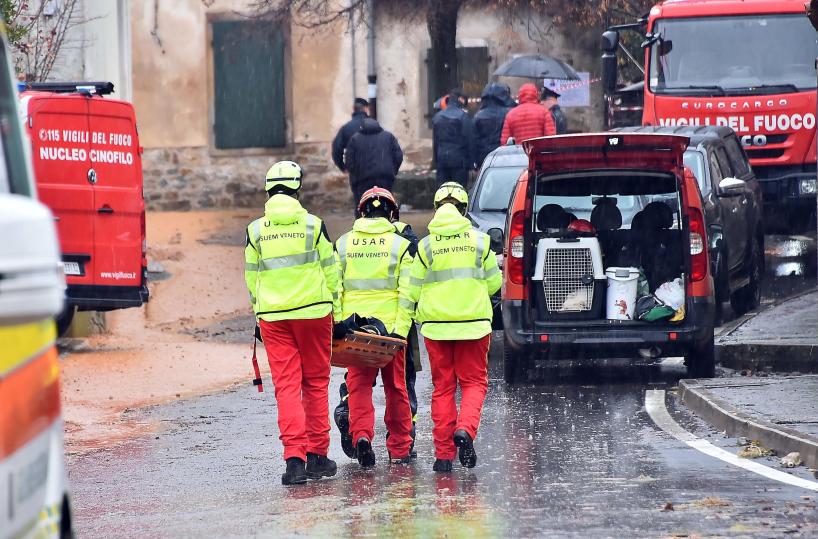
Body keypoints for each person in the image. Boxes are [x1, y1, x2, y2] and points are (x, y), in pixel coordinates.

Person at [243, 160, 341, 486]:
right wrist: (337, 311)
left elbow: (251, 279)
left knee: (286, 387)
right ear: (298, 188)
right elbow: (332, 271)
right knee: (314, 384)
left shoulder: (256, 230)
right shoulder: (314, 225)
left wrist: (260, 312)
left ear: (268, 190)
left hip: (273, 317)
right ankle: (317, 456)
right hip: (315, 313)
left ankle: (294, 462)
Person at [407, 182, 502, 472]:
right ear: (463, 211)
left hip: (436, 328)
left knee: (443, 389)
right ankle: (465, 430)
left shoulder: (425, 246)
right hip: (473, 325)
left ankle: (443, 457)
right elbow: (495, 283)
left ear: (437, 209)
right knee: (473, 383)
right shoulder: (481, 242)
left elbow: (412, 290)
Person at [333, 195, 421, 460]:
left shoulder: (343, 243)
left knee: (358, 386)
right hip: (390, 332)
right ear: (392, 214)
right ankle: (400, 448)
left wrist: (338, 323)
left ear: (361, 214)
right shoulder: (401, 245)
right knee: (396, 388)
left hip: (355, 331)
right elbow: (408, 294)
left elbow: (334, 288)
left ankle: (360, 435)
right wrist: (401, 330)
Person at [344, 118, 404, 206]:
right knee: (386, 204)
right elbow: (398, 156)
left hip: (362, 180)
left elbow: (349, 160)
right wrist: (392, 171)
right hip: (385, 178)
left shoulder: (355, 139)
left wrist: (355, 174)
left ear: (362, 127)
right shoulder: (388, 137)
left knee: (362, 206)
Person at [432, 89, 475, 187]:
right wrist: (472, 164)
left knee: (443, 190)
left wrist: (435, 161)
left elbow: (435, 142)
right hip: (459, 161)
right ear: (460, 100)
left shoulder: (437, 117)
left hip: (442, 159)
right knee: (458, 190)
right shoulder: (463, 117)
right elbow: (470, 141)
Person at [473, 83, 515, 167]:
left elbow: (475, 139)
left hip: (484, 155)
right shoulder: (509, 113)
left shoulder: (478, 115)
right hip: (503, 153)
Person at [331, 98, 369, 172]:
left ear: (353, 109)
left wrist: (342, 167)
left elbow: (336, 149)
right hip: (374, 169)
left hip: (355, 170)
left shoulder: (346, 128)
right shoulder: (375, 126)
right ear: (366, 109)